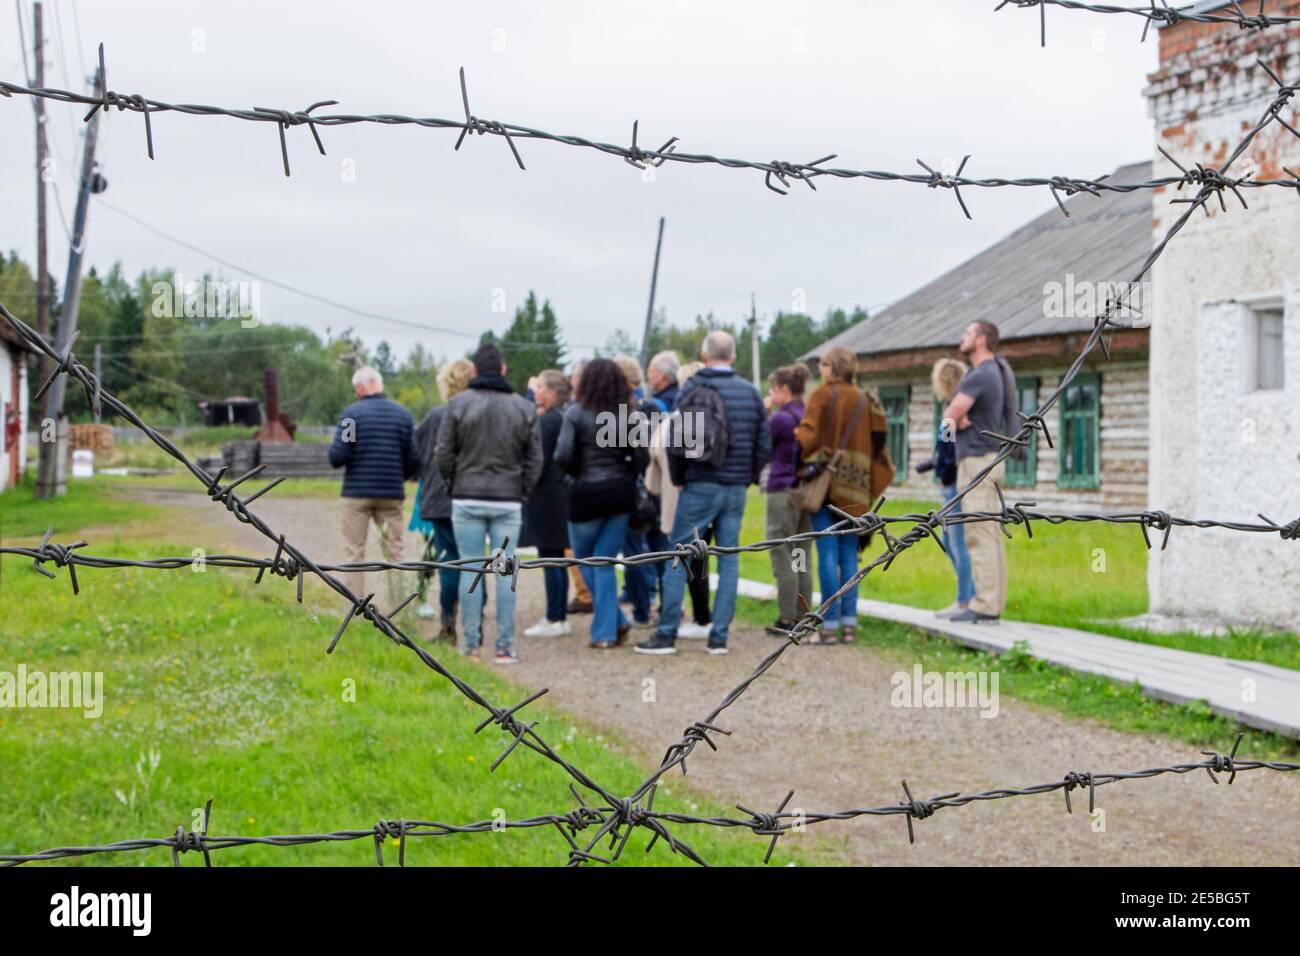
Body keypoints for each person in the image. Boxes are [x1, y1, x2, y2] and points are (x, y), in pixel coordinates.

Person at [635, 331, 771, 656]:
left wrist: (680, 479)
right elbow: (764, 443)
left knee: (679, 555)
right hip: (735, 488)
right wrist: (747, 477)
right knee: (728, 559)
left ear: (704, 355)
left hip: (698, 483)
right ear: (733, 357)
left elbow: (675, 440)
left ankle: (666, 633)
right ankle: (718, 638)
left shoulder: (692, 388)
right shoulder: (750, 393)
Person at [435, 343, 542, 662]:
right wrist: (522, 490)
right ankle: (505, 646)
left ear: (475, 371)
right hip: (507, 499)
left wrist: (453, 483)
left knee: (470, 568)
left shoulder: (458, 404)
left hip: (467, 496)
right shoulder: (524, 407)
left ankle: (471, 645)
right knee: (506, 571)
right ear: (503, 369)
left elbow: (444, 452)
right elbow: (535, 458)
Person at [794, 346, 890, 645]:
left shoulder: (822, 394)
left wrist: (793, 443)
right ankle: (849, 624)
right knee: (850, 553)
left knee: (827, 552)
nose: (821, 370)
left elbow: (807, 435)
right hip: (857, 485)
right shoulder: (866, 399)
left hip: (827, 485)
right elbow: (880, 441)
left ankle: (828, 625)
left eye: (824, 364)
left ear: (834, 367)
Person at [554, 359, 648, 649]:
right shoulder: (628, 413)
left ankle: (606, 631)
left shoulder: (575, 412)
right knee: (604, 562)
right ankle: (613, 625)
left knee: (585, 560)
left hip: (586, 495)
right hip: (620, 494)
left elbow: (562, 455)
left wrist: (576, 472)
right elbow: (641, 457)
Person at [328, 365, 419, 602]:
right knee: (395, 552)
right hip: (391, 493)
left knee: (354, 552)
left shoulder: (352, 416)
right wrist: (397, 476)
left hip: (357, 493)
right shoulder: (403, 416)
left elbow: (338, 455)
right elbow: (413, 459)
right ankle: (399, 604)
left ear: (360, 387)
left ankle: (354, 604)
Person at [943, 321, 1013, 623]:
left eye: (968, 333)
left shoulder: (979, 374)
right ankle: (992, 603)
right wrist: (955, 421)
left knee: (978, 534)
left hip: (974, 462)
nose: (962, 338)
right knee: (990, 534)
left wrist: (950, 428)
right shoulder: (996, 371)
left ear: (982, 339)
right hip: (990, 458)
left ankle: (984, 605)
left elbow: (948, 418)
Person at [644, 359, 711, 639]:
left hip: (678, 501)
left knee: (678, 560)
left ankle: (669, 622)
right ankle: (704, 618)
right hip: (715, 499)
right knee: (703, 559)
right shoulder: (718, 420)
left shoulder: (671, 423)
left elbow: (653, 474)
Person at [412, 358, 476, 641]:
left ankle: (448, 625)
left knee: (449, 560)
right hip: (473, 495)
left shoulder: (437, 416)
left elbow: (416, 454)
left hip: (441, 498)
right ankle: (474, 627)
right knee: (474, 559)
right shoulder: (480, 414)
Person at [919, 357, 974, 619]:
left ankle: (965, 600)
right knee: (950, 541)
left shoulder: (954, 412)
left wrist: (943, 472)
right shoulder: (959, 408)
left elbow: (948, 450)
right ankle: (970, 593)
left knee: (956, 542)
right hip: (953, 482)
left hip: (953, 484)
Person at [763, 363, 814, 635]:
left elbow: (764, 446)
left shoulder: (781, 419)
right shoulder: (807, 414)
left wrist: (766, 413)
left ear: (784, 389)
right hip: (805, 491)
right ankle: (804, 616)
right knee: (801, 555)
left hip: (782, 490)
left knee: (782, 553)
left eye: (773, 390)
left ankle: (786, 618)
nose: (771, 394)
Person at [521, 369, 572, 638]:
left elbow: (537, 460)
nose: (535, 391)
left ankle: (554, 616)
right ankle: (559, 615)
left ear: (552, 392)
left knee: (550, 558)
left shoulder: (548, 421)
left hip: (546, 497)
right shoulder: (564, 416)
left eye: (539, 386)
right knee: (558, 558)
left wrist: (525, 485)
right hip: (561, 494)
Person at [611, 353, 654, 628]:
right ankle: (642, 604)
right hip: (640, 486)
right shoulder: (643, 407)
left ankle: (642, 608)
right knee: (637, 550)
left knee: (634, 551)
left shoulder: (625, 412)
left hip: (628, 489)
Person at [562, 360, 594, 615]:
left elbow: (563, 454)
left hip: (581, 488)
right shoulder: (616, 407)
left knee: (577, 548)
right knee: (600, 554)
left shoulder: (574, 411)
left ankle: (586, 594)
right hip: (613, 487)